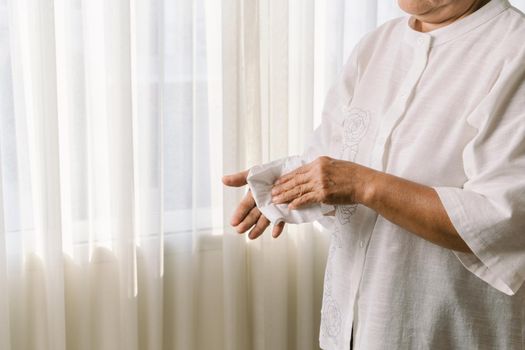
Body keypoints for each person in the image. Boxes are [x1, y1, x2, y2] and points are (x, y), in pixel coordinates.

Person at [223, 0, 525, 348]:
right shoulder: (376, 46)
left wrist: (363, 185)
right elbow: (334, 158)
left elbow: (503, 218)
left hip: (440, 331)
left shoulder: (513, 50)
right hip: (354, 331)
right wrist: (282, 188)